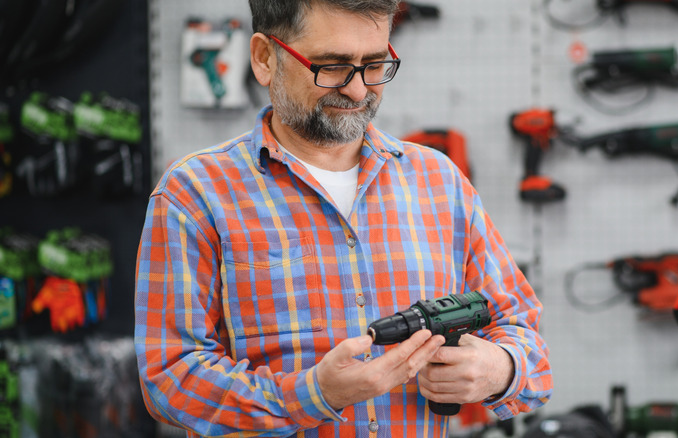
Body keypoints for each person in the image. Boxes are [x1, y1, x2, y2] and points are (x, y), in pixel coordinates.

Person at [134, 0, 552, 436]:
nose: (357, 91)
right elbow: (169, 379)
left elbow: (525, 337)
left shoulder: (440, 181)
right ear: (263, 58)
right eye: (332, 67)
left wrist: (498, 369)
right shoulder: (195, 193)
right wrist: (315, 396)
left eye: (374, 64)